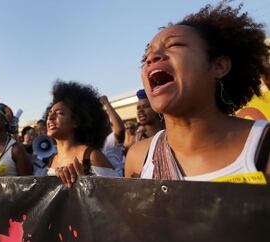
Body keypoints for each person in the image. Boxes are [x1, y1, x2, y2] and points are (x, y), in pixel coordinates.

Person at [125, 2, 270, 181]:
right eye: (146, 55)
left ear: (219, 66)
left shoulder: (264, 146)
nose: (151, 58)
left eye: (174, 45)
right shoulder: (137, 158)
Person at [46, 81, 119, 188]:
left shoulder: (92, 157)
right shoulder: (53, 160)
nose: (50, 117)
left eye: (60, 113)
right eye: (50, 113)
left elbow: (116, 196)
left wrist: (85, 186)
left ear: (76, 121)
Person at [99, 95, 126, 176]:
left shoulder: (111, 138)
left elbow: (120, 129)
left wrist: (106, 103)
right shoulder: (93, 142)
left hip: (115, 183)